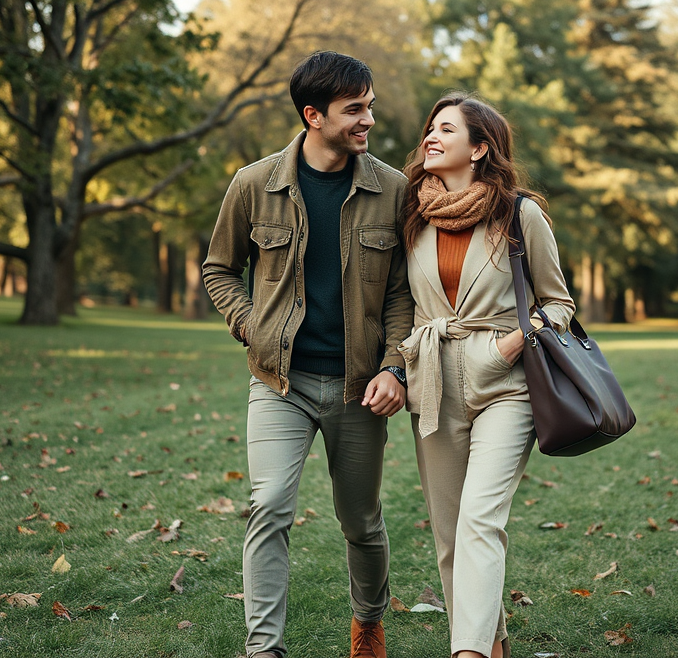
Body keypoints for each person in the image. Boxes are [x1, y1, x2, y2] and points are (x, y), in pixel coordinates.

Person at [203, 51, 413, 658]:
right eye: (356, 109)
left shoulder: (391, 190)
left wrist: (395, 367)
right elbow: (220, 269)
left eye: (369, 105)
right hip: (279, 383)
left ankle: (368, 622)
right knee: (267, 506)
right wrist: (250, 325)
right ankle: (263, 648)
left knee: (361, 522)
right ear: (313, 115)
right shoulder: (253, 184)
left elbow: (401, 295)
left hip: (358, 388)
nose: (368, 119)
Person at [397, 93, 575, 658]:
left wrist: (509, 345)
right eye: (430, 127)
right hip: (434, 383)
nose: (430, 136)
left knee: (480, 519)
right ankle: (491, 650)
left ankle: (466, 653)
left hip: (507, 385)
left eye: (445, 129)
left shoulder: (519, 213)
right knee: (451, 536)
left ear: (478, 149)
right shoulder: (412, 214)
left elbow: (559, 303)